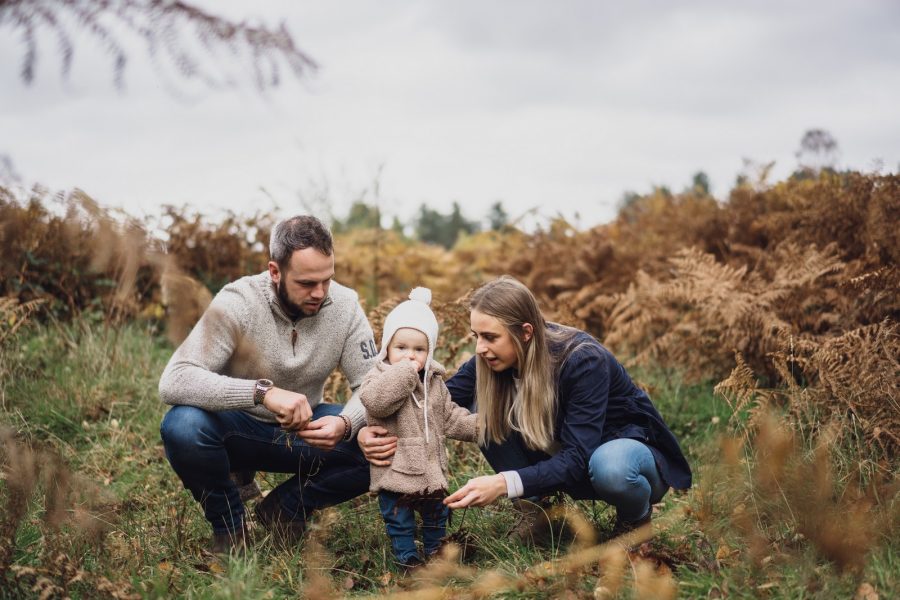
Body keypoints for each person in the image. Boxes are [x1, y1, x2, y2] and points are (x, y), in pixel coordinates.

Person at [359, 275, 691, 544]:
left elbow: (578, 457)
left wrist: (504, 483)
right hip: (566, 459)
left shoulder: (583, 361)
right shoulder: (489, 359)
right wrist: (358, 427)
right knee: (484, 420)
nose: (480, 348)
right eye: (476, 336)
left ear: (526, 333)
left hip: (626, 453)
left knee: (612, 468)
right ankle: (540, 515)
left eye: (490, 337)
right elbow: (431, 398)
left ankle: (636, 519)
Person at [158, 215, 377, 553]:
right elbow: (175, 378)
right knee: (182, 425)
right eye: (306, 283)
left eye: (326, 280)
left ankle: (285, 508)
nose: (319, 293)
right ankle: (229, 529)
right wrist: (261, 394)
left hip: (306, 431)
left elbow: (370, 384)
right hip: (236, 428)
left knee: (386, 442)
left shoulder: (346, 306)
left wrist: (347, 423)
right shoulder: (239, 301)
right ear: (275, 272)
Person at [359, 287, 477, 569]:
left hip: (430, 469)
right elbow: (376, 403)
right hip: (396, 468)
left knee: (437, 514)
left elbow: (449, 416)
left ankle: (437, 552)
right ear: (386, 346)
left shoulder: (434, 382)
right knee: (399, 518)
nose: (409, 356)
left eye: (419, 350)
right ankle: (407, 557)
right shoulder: (378, 376)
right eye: (401, 348)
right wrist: (404, 373)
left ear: (430, 351)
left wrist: (483, 426)